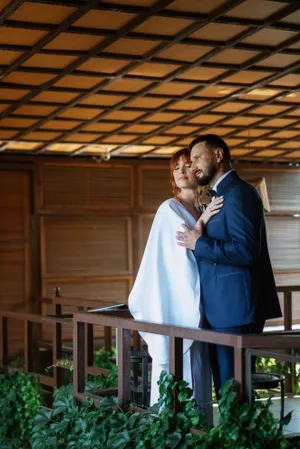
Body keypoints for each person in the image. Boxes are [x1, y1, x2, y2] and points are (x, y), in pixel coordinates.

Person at [176, 134, 282, 397]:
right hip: (222, 310)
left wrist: (199, 244)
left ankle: (240, 440)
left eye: (198, 158)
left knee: (233, 395)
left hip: (237, 310)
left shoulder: (239, 193)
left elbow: (246, 251)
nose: (193, 166)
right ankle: (231, 439)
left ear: (219, 155)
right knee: (227, 393)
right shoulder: (220, 196)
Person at [128, 149, 223, 420]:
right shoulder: (168, 208)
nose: (181, 171)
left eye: (186, 165)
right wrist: (204, 220)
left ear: (197, 171)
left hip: (202, 300)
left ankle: (200, 432)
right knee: (180, 369)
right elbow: (185, 244)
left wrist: (204, 215)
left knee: (200, 370)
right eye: (175, 167)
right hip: (180, 301)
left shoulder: (204, 206)